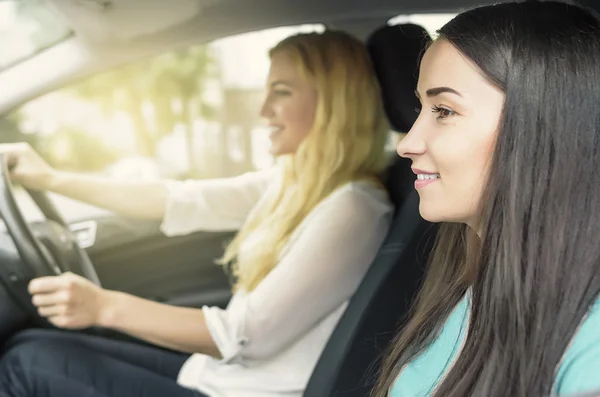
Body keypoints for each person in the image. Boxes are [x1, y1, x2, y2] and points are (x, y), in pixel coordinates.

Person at [0, 30, 394, 397]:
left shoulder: (353, 208)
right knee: (30, 344)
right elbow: (178, 200)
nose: (263, 109)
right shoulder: (297, 183)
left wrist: (102, 306)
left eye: (282, 92)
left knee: (25, 363)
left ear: (334, 103)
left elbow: (243, 337)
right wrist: (51, 178)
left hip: (248, 390)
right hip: (223, 376)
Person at [370, 2, 600, 397]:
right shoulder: (471, 285)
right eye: (421, 107)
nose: (408, 143)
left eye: (443, 110)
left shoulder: (590, 350)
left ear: (542, 127)